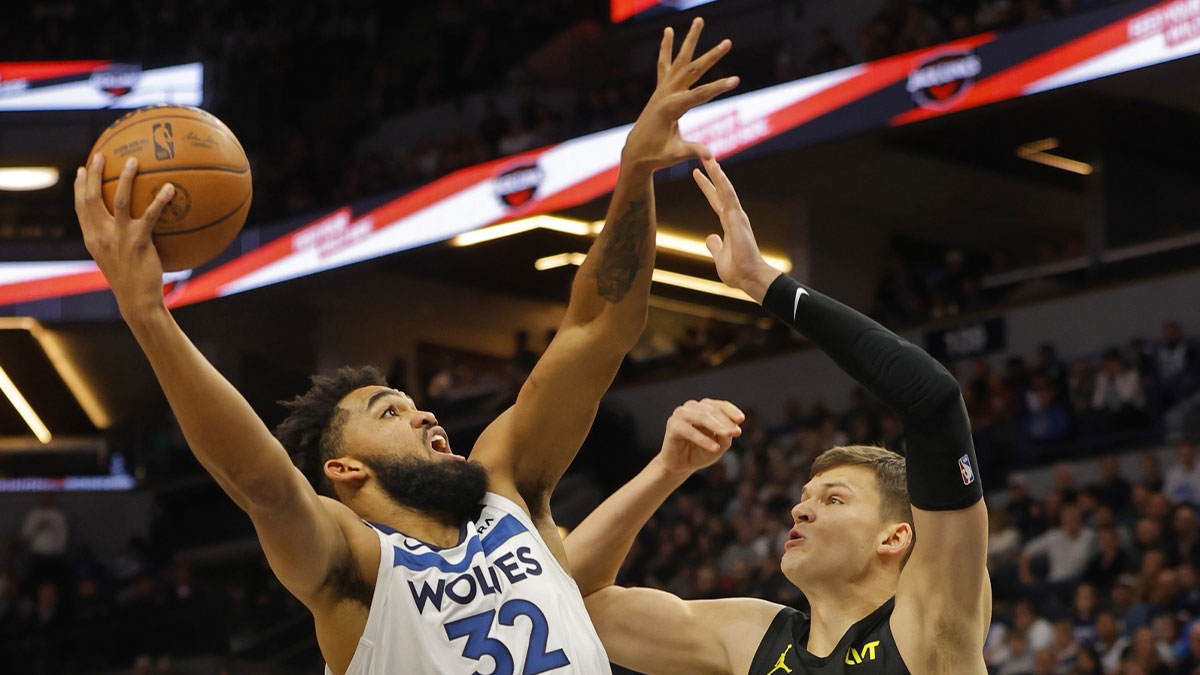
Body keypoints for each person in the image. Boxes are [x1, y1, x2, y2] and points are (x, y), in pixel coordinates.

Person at [73, 18, 739, 675]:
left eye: (412, 403)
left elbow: (598, 329)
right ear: (346, 472)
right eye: (389, 412)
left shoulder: (505, 490)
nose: (425, 414)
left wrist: (637, 166)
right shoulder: (353, 566)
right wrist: (149, 315)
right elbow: (262, 483)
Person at [565, 155, 989, 674]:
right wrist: (665, 471)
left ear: (894, 537)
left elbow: (933, 399)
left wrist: (763, 282)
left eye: (833, 499)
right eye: (805, 498)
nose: (800, 511)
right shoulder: (752, 640)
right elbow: (569, 596)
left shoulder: (930, 619)